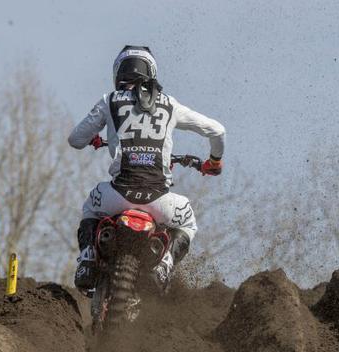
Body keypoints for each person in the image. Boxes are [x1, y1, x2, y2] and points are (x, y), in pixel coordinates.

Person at [68, 45, 225, 293]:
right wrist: (214, 161)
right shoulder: (170, 105)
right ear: (151, 73)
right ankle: (165, 264)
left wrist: (95, 136)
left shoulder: (108, 101)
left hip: (116, 198)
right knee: (188, 223)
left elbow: (75, 140)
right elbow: (217, 130)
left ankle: (87, 259)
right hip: (160, 202)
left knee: (90, 208)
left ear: (118, 72)